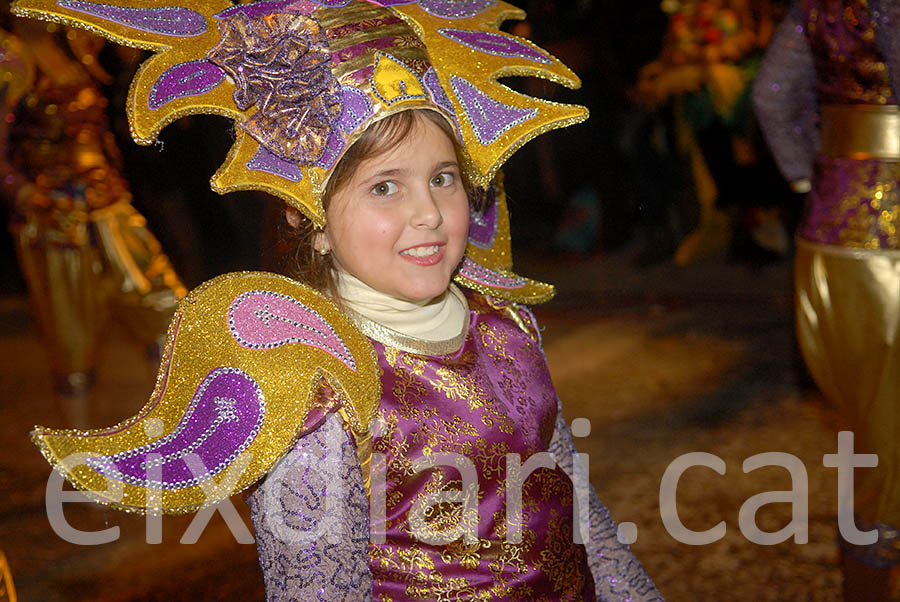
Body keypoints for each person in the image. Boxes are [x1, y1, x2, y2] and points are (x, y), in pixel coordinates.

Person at [16, 1, 662, 599]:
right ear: (313, 220)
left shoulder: (506, 325)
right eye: (385, 188)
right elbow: (318, 588)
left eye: (443, 179)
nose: (429, 214)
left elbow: (580, 512)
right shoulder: (311, 382)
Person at [753, 1, 900, 599]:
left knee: (871, 429)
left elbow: (770, 95)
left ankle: (865, 579)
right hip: (891, 244)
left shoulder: (815, 6)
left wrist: (804, 172)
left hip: (831, 232)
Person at [0, 18, 185, 426]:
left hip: (110, 206)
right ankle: (75, 468)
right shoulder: (10, 56)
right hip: (56, 220)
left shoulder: (75, 42)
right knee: (73, 344)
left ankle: (167, 436)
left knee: (167, 309)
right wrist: (33, 197)